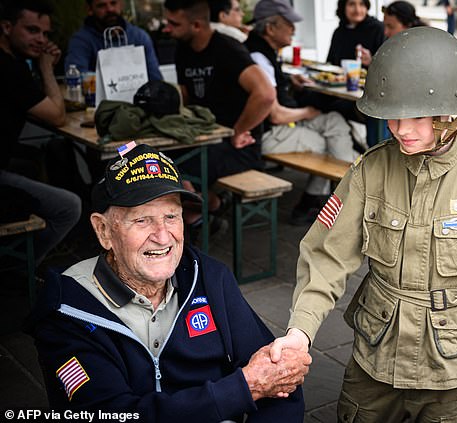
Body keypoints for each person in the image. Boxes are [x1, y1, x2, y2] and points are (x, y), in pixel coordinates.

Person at [270, 27, 457, 422]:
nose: (401, 129)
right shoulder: (370, 171)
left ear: (450, 111)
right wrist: (301, 331)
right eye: (393, 116)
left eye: (416, 116)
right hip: (376, 357)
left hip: (453, 367)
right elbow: (326, 258)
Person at [30, 143, 309, 422]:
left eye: (171, 216)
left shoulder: (209, 277)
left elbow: (280, 381)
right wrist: (245, 387)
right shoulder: (68, 308)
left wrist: (260, 383)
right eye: (142, 220)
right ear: (104, 231)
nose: (163, 237)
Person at [245, 0, 357, 225]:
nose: (294, 29)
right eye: (289, 24)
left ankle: (332, 198)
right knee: (329, 144)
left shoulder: (260, 51)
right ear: (270, 28)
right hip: (266, 135)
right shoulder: (259, 58)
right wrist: (308, 112)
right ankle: (328, 201)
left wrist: (288, 81)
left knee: (335, 122)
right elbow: (275, 115)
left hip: (279, 126)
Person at [163, 0, 275, 215]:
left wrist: (239, 130)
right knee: (152, 162)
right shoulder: (183, 49)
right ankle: (205, 210)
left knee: (172, 173)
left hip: (238, 148)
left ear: (196, 25)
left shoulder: (227, 48)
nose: (167, 29)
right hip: (203, 138)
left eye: (174, 24)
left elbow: (266, 94)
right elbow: (187, 96)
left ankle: (208, 210)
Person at [0, 0, 81, 265]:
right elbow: (57, 116)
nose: (41, 40)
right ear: (7, 26)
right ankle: (18, 267)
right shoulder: (10, 69)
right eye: (32, 30)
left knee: (33, 161)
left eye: (45, 34)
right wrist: (47, 67)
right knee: (69, 207)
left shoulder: (14, 63)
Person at [65, 0, 162, 81]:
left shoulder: (139, 37)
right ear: (89, 9)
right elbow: (77, 79)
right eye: (101, 5)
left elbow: (155, 79)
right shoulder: (81, 41)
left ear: (121, 4)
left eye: (113, 3)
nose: (110, 9)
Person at [326, 0, 385, 68]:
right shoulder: (338, 32)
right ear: (343, 7)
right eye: (352, 4)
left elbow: (387, 67)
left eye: (362, 4)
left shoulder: (378, 29)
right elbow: (330, 63)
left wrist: (371, 61)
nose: (357, 10)